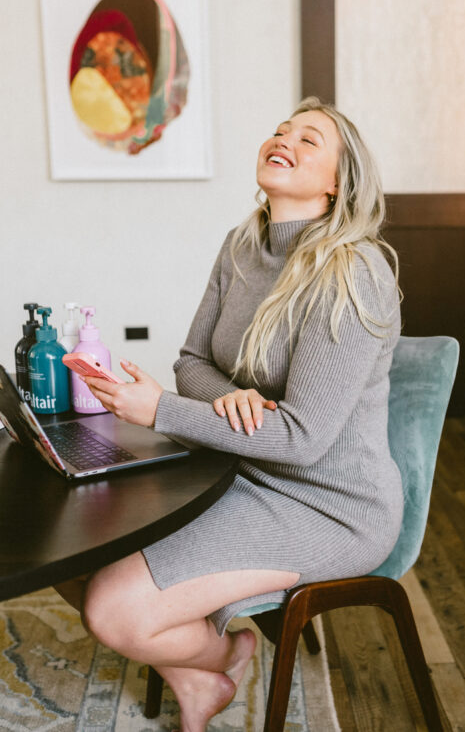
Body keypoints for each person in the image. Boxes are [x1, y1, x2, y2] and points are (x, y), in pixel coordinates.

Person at [55, 96, 403, 732]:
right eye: (280, 130)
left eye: (310, 140)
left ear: (337, 183)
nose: (285, 140)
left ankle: (228, 652)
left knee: (112, 612)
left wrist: (162, 410)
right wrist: (221, 396)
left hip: (326, 504)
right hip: (234, 467)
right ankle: (195, 677)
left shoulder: (354, 271)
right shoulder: (242, 244)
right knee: (68, 548)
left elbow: (302, 441)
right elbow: (192, 359)